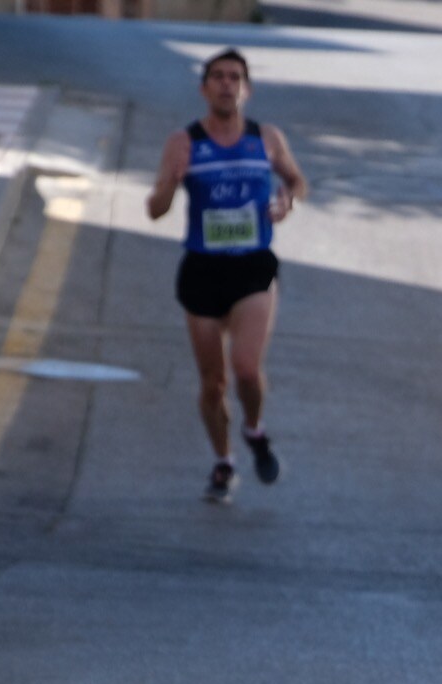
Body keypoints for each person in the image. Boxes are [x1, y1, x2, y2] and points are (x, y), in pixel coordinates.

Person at [147, 47, 308, 503]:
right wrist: (168, 185)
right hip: (202, 271)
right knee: (213, 383)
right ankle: (224, 461)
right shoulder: (183, 142)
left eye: (234, 77)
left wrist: (288, 200)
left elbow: (297, 181)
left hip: (252, 268)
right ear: (204, 88)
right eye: (217, 76)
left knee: (245, 370)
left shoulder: (266, 138)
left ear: (246, 88)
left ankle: (254, 430)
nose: (225, 84)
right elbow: (155, 211)